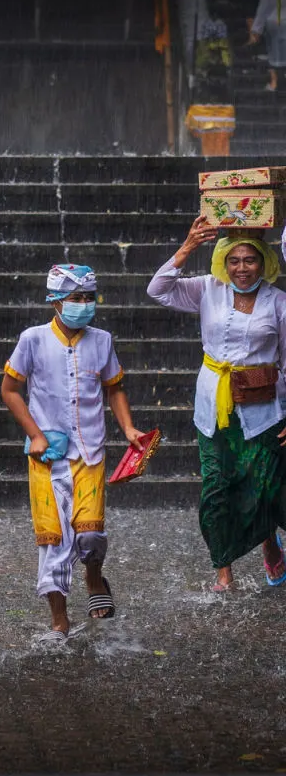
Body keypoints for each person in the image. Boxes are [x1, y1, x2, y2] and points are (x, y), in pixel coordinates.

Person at [1, 264, 144, 644]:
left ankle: (94, 576)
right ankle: (59, 619)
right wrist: (34, 434)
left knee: (91, 534)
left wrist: (128, 428)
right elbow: (10, 390)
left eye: (88, 297)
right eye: (74, 298)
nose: (83, 304)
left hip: (90, 451)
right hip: (47, 456)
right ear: (55, 300)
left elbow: (115, 388)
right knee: (53, 539)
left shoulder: (102, 340)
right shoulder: (32, 339)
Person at [147, 216, 286, 591]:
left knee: (266, 486)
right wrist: (189, 245)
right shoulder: (208, 288)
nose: (242, 269)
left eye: (250, 260)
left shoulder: (279, 303)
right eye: (235, 260)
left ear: (264, 262)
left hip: (262, 410)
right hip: (212, 406)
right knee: (215, 487)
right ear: (223, 262)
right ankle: (223, 570)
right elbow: (158, 290)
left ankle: (269, 539)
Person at [248, 0, 286, 91]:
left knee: (274, 55)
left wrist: (256, 30)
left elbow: (263, 10)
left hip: (275, 25)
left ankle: (274, 83)